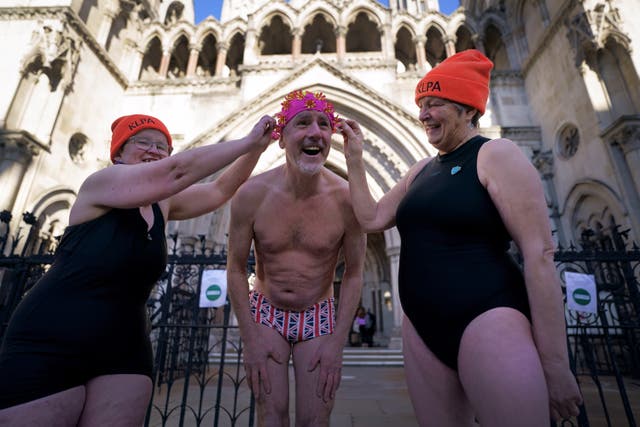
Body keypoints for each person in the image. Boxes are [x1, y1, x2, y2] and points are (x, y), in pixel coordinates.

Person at [338, 49, 583, 426]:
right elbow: (371, 218)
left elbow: (539, 254)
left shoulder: (495, 154)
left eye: (435, 103)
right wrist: (355, 157)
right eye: (421, 104)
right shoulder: (419, 170)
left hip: (487, 316)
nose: (423, 114)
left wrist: (555, 364)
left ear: (468, 109)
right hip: (422, 327)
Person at [0, 113, 275, 426]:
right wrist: (247, 139)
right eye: (143, 142)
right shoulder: (101, 183)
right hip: (55, 333)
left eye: (163, 146)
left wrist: (258, 149)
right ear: (117, 154)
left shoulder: (163, 204)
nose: (155, 150)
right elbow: (176, 171)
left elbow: (219, 191)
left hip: (125, 340)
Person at [227, 89, 366, 426]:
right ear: (281, 137)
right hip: (266, 312)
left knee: (315, 418)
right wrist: (250, 339)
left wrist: (337, 343)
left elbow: (355, 273)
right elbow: (233, 268)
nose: (315, 132)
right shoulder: (251, 194)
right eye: (302, 123)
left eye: (324, 124)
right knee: (270, 415)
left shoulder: (348, 199)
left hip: (318, 315)